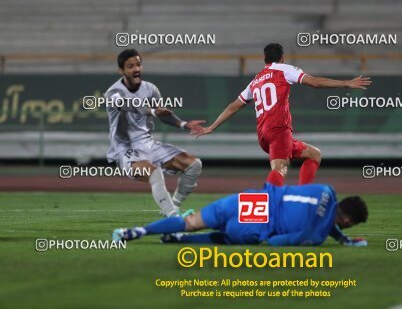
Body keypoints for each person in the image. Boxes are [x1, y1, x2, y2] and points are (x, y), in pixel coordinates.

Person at [192, 43, 372, 186]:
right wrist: (346, 83)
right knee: (280, 170)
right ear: (282, 58)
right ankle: (266, 207)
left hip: (263, 136)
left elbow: (234, 106)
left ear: (265, 59)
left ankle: (302, 196)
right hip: (279, 130)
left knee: (314, 154)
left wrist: (211, 127)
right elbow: (315, 82)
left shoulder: (256, 80)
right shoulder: (285, 69)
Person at [112, 181, 368, 247]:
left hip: (254, 200)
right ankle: (179, 240)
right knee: (225, 237)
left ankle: (139, 231)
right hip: (261, 223)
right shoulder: (318, 235)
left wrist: (341, 238)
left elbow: (325, 216)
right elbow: (284, 239)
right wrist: (342, 239)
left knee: (191, 221)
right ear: (347, 220)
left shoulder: (327, 191)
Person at [105, 48, 204, 217]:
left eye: (138, 64)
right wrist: (152, 112)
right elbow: (131, 106)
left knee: (194, 165)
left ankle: (171, 208)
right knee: (154, 173)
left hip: (148, 143)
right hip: (126, 149)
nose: (136, 69)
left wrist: (184, 124)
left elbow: (162, 114)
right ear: (121, 70)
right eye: (130, 66)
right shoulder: (113, 93)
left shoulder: (150, 89)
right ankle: (173, 218)